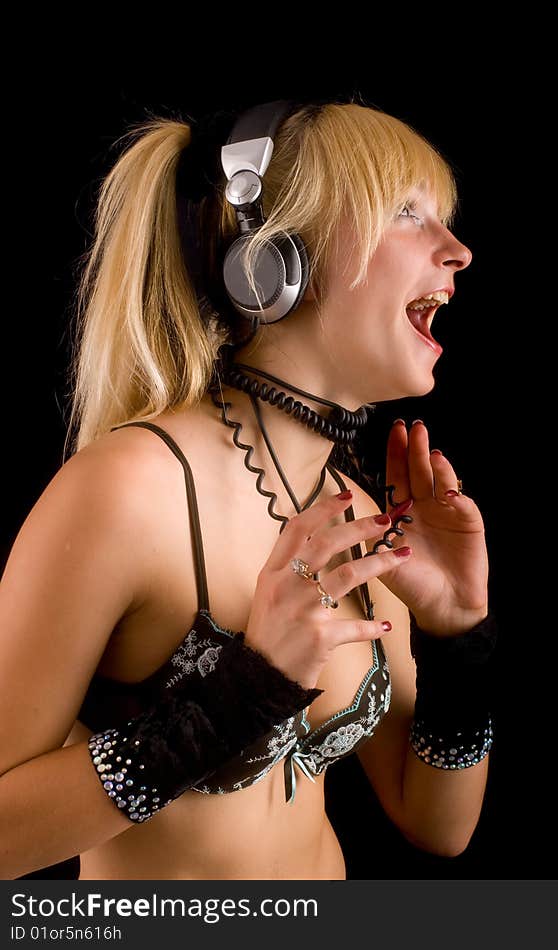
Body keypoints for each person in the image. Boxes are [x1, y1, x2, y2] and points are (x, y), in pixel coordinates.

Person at [0, 98, 498, 880]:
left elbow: (438, 823)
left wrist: (460, 640)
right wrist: (238, 697)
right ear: (274, 263)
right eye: (408, 212)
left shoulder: (359, 517)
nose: (459, 251)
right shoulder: (128, 491)